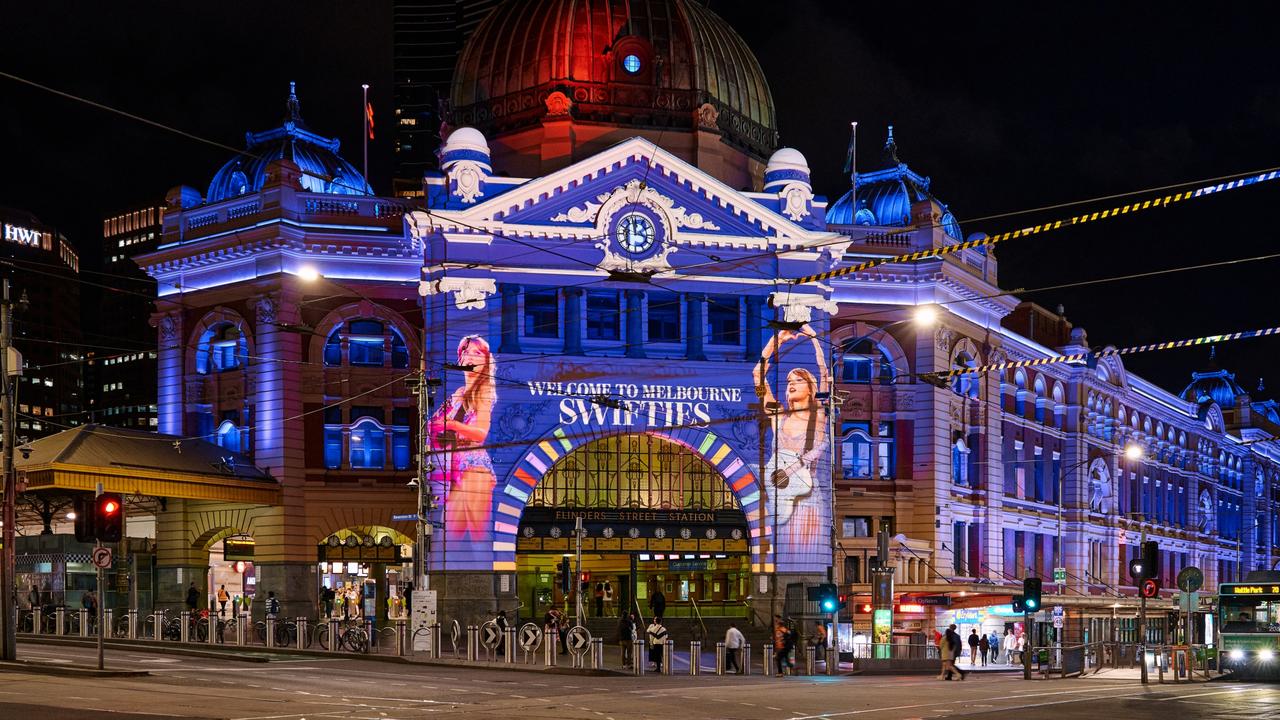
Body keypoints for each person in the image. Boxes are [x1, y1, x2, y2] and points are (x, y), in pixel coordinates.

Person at [753, 326, 829, 553]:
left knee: (806, 552)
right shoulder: (779, 416)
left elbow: (825, 373)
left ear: (810, 388)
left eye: (799, 379)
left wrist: (815, 338)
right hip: (780, 496)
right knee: (781, 550)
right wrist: (774, 343)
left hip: (807, 497)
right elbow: (758, 375)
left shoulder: (819, 416)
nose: (792, 383)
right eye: (789, 381)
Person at [430, 335, 497, 543]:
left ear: (486, 361)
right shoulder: (459, 393)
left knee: (478, 537)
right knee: (452, 537)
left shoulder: (485, 391)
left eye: (477, 353)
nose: (471, 356)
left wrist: (452, 425)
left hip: (475, 467)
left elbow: (481, 433)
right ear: (460, 359)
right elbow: (434, 422)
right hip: (454, 466)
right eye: (466, 352)